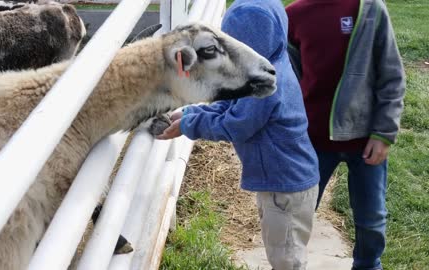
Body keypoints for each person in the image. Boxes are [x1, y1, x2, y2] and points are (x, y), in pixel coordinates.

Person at [157, 0, 319, 269]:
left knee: (287, 258)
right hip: (280, 183)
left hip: (285, 186)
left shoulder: (266, 87)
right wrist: (190, 114)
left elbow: (235, 125)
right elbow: (229, 102)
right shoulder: (264, 67)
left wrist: (189, 126)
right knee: (281, 249)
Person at [286, 0, 405, 269]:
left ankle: (368, 264)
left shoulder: (370, 9)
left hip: (365, 141)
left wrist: (383, 133)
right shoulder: (293, 15)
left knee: (371, 219)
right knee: (295, 216)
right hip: (312, 141)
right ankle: (289, 264)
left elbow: (392, 77)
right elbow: (289, 78)